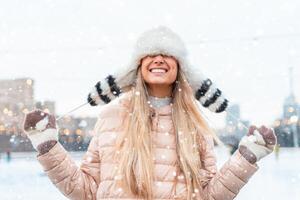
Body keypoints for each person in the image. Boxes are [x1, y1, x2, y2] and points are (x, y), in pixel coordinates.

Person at [23, 26, 276, 200]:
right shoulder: (111, 118)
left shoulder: (195, 126)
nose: (158, 59)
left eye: (167, 54)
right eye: (150, 54)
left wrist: (246, 158)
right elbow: (87, 191)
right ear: (138, 65)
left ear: (180, 68)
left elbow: (208, 195)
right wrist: (48, 147)